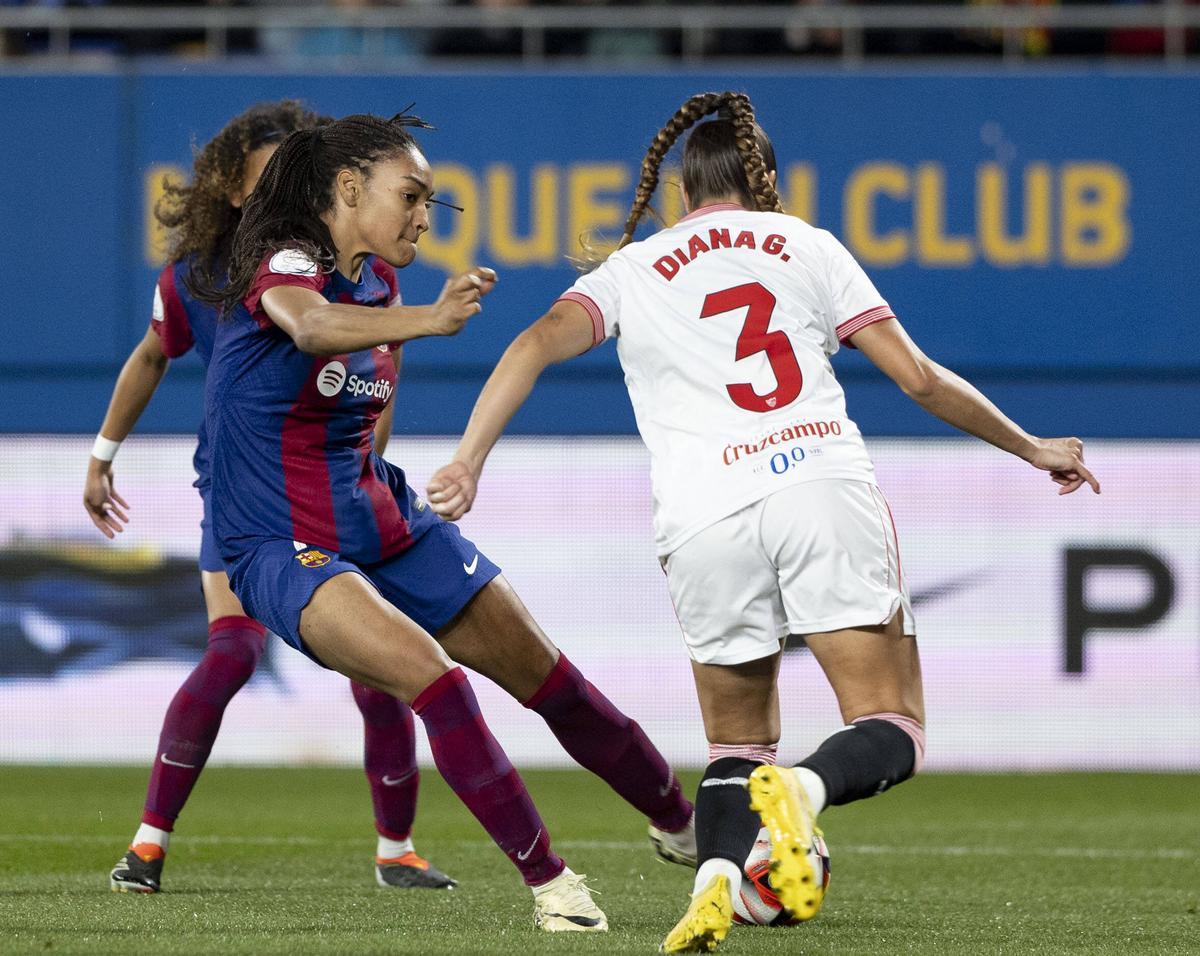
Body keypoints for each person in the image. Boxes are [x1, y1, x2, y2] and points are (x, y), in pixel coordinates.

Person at [424, 90, 1101, 952]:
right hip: (818, 484)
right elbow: (920, 378)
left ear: (680, 190)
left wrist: (468, 460)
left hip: (704, 517)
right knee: (891, 725)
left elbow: (530, 345)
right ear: (765, 177)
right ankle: (807, 794)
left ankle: (717, 886)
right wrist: (1032, 446)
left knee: (735, 746)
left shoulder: (633, 269)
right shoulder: (808, 246)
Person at [192, 110, 697, 933]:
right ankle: (554, 890)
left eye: (430, 200)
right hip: (284, 546)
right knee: (436, 679)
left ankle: (684, 825)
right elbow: (312, 325)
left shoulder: (380, 284)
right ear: (348, 190)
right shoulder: (286, 263)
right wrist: (431, 317)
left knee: (551, 679)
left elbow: (361, 412)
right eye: (412, 196)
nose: (425, 217)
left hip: (381, 520)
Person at [84, 101, 453, 895]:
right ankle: (146, 847)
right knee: (231, 656)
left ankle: (398, 851)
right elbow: (151, 356)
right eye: (268, 177)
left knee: (384, 670)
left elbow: (376, 377)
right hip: (240, 500)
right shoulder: (202, 276)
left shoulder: (364, 275)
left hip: (330, 492)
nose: (287, 188)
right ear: (230, 189)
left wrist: (362, 470)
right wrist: (101, 455)